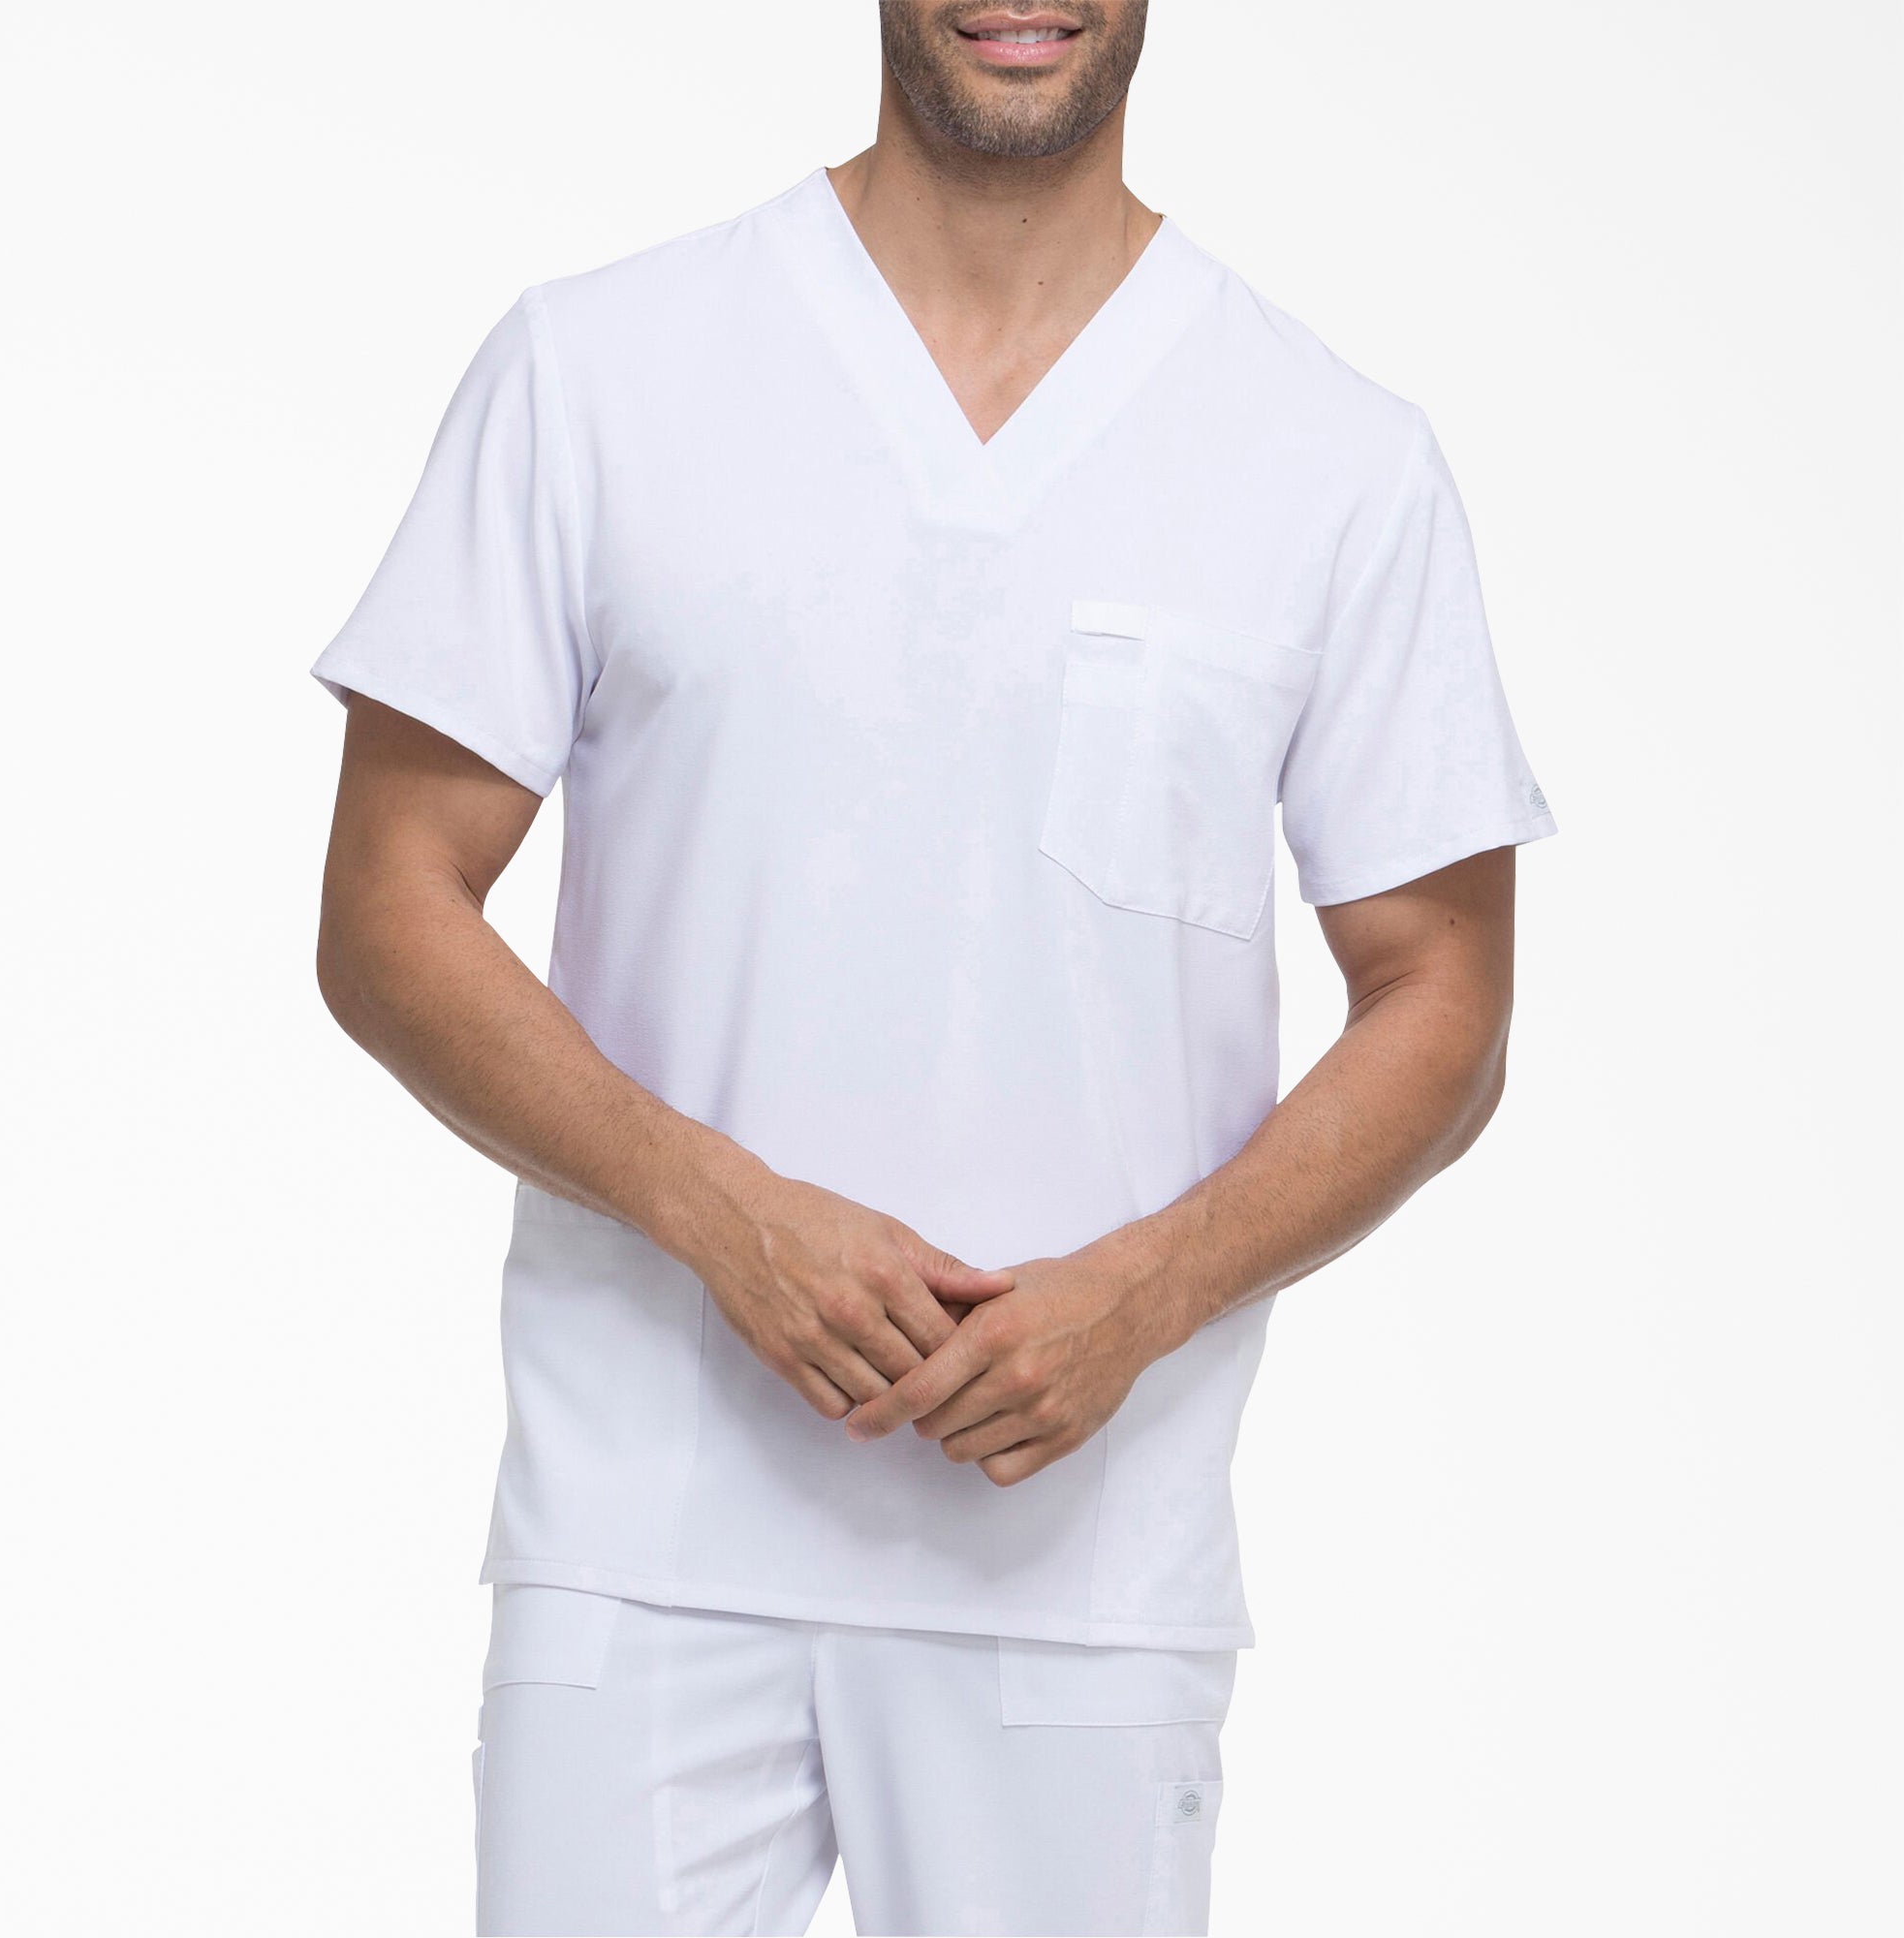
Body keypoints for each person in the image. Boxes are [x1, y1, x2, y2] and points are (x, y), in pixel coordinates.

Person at [310, 3, 1557, 1931]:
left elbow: (1444, 994)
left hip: (1077, 1572)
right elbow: (391, 903)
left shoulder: (1331, 458)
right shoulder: (600, 370)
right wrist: (715, 1209)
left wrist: (1142, 1295)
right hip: (640, 1531)